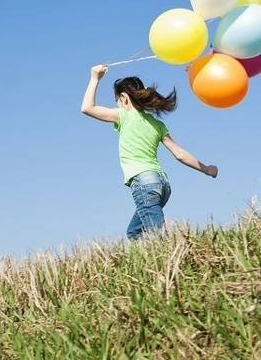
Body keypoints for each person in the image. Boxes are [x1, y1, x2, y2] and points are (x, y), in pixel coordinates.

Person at [80, 64, 218, 239]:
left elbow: (87, 108)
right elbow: (179, 154)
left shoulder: (123, 115)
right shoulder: (157, 124)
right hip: (162, 185)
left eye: (116, 99)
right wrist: (206, 169)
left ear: (123, 98)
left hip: (144, 184)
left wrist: (94, 78)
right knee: (133, 232)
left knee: (158, 238)